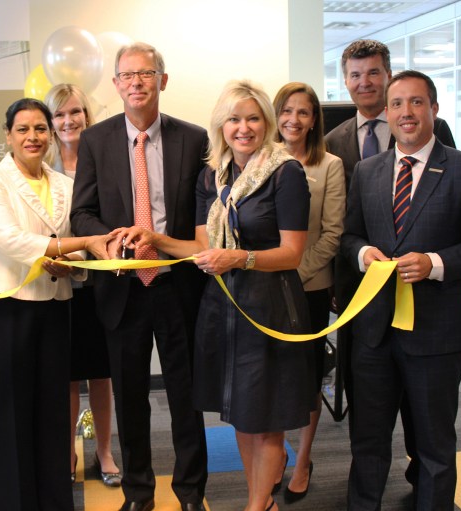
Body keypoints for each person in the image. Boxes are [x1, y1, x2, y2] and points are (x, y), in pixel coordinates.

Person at [342, 70, 461, 511]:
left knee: (434, 446)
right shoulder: (367, 171)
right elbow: (348, 237)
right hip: (373, 333)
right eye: (397, 104)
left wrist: (435, 264)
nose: (406, 112)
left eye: (416, 103)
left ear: (434, 108)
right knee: (368, 443)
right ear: (386, 113)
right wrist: (363, 255)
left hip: (436, 334)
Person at [71, 42, 209, 511]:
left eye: (145, 74)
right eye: (126, 76)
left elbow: (203, 217)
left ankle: (191, 492)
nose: (136, 83)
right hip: (121, 288)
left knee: (186, 397)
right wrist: (107, 240)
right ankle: (138, 494)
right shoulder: (96, 140)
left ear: (162, 81)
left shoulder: (194, 139)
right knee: (130, 400)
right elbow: (82, 214)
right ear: (115, 85)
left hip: (177, 284)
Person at [325, 39, 458, 490]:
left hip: (431, 312)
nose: (365, 82)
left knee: (430, 430)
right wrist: (359, 257)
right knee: (368, 424)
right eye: (355, 75)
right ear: (346, 81)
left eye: (374, 73)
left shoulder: (449, 152)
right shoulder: (336, 142)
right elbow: (344, 228)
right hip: (365, 306)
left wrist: (436, 262)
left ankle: (423, 480)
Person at [0, 98, 110, 511]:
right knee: (10, 416)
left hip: (55, 306)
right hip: (5, 308)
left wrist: (76, 262)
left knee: (53, 416)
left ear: (51, 134)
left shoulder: (67, 183)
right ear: (8, 135)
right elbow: (6, 239)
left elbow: (81, 244)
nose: (33, 137)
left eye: (40, 129)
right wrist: (76, 246)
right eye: (23, 129)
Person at [189, 79, 315, 511]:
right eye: (234, 119)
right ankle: (259, 499)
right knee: (241, 414)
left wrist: (238, 259)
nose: (243, 128)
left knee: (267, 418)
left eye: (253, 118)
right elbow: (202, 245)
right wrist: (152, 239)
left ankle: (256, 505)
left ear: (267, 122)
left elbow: (292, 253)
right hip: (223, 308)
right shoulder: (214, 174)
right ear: (221, 125)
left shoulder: (286, 172)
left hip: (271, 309)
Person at [44, 83, 122, 487]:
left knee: (101, 375)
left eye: (74, 112)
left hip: (99, 284)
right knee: (66, 375)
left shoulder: (103, 162)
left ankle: (105, 450)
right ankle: (67, 453)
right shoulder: (40, 168)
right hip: (59, 287)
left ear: (87, 117)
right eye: (59, 114)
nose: (68, 120)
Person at [272, 82, 345, 503]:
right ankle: (277, 454)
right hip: (268, 290)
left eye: (303, 112)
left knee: (308, 374)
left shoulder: (329, 165)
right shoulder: (261, 161)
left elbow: (332, 234)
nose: (293, 120)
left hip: (309, 287)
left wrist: (293, 274)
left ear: (314, 119)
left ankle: (303, 460)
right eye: (286, 111)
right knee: (277, 374)